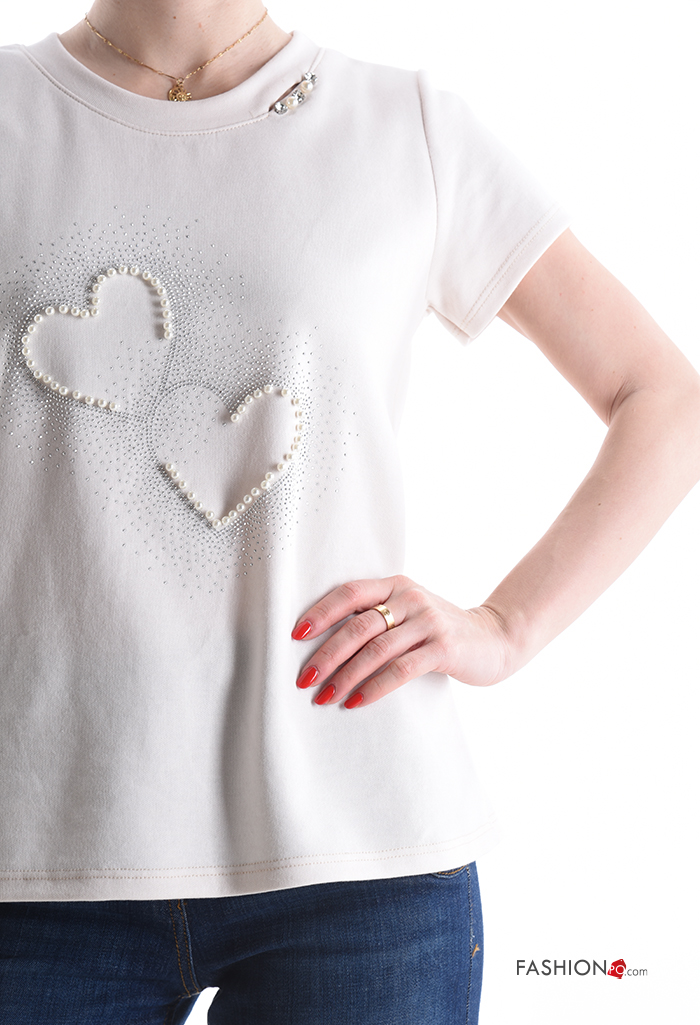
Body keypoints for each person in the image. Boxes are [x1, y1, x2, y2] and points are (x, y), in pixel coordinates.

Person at [0, 1, 698, 1022]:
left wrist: (505, 625)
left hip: (364, 866)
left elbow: (663, 398)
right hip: (34, 860)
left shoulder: (405, 126)